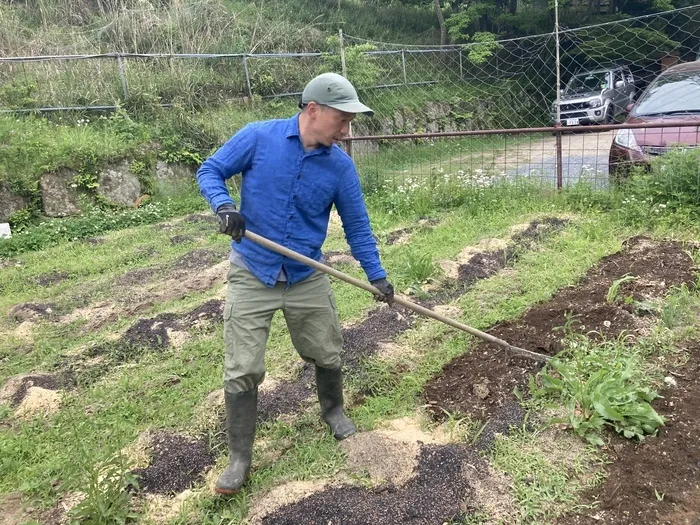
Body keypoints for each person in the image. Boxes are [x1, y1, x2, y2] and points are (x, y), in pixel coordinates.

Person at [196, 72, 395, 495]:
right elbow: (211, 170)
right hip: (253, 270)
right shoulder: (258, 138)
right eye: (342, 121)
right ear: (313, 110)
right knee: (243, 367)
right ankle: (240, 459)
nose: (346, 131)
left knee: (327, 350)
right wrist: (225, 206)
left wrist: (377, 276)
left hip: (306, 275)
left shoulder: (340, 167)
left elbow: (358, 226)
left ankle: (334, 411)